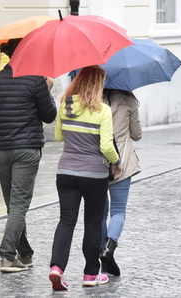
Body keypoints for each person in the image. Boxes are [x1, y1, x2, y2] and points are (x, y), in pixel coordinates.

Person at [0, 38, 57, 273]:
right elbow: (50, 115)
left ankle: (25, 253)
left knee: (13, 204)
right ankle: (7, 256)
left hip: (0, 151)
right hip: (27, 150)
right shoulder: (36, 80)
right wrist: (47, 90)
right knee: (19, 205)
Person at [48, 65, 123, 291]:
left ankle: (57, 268)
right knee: (92, 223)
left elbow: (59, 136)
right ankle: (91, 274)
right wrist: (117, 163)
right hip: (94, 174)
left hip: (66, 173)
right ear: (98, 84)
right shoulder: (103, 110)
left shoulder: (65, 104)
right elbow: (106, 146)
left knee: (66, 220)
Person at [99, 89, 142, 276]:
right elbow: (137, 134)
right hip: (121, 162)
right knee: (118, 210)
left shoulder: (92, 100)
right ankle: (109, 249)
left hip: (96, 163)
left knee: (100, 214)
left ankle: (102, 253)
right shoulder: (128, 101)